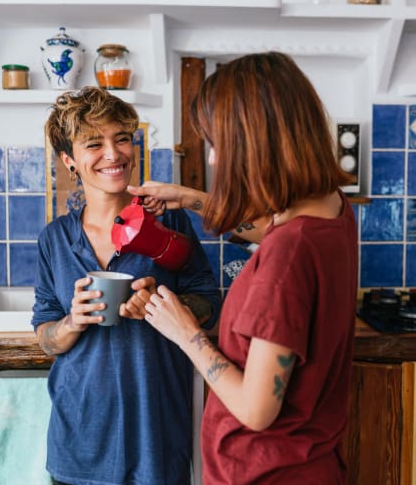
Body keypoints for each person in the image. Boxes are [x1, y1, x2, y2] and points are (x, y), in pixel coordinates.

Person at [127, 51, 359, 484]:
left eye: (217, 144)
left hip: (267, 472)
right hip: (311, 464)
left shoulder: (287, 257)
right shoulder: (330, 209)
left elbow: (256, 410)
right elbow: (275, 231)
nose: (214, 159)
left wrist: (185, 333)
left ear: (256, 142)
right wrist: (193, 198)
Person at [32, 86, 221, 485]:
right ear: (70, 160)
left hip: (157, 439)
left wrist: (162, 304)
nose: (113, 154)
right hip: (79, 444)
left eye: (122, 139)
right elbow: (46, 337)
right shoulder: (54, 240)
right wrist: (72, 322)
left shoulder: (169, 223)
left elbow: (208, 301)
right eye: (94, 143)